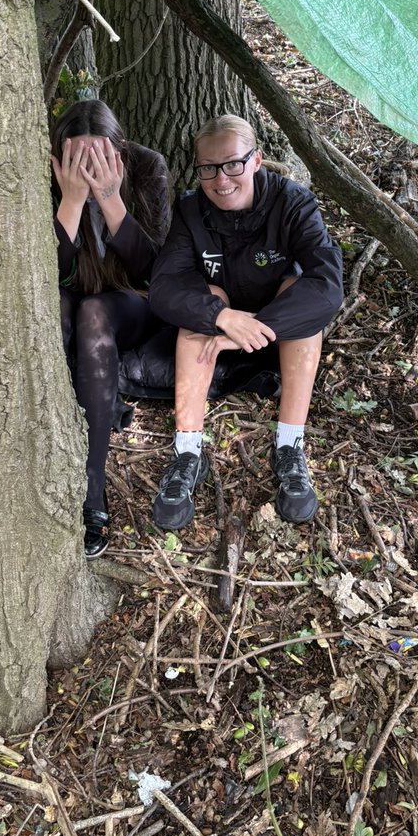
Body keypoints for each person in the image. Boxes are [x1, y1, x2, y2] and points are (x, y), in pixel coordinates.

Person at [149, 115, 343, 530]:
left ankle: (289, 445)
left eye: (233, 164)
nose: (221, 180)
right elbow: (164, 286)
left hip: (277, 329)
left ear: (256, 160)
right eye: (209, 169)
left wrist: (254, 328)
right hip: (220, 325)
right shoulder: (189, 210)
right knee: (204, 300)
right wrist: (221, 317)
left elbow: (327, 284)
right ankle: (187, 453)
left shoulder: (292, 202)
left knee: (299, 289)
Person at [51, 99, 170, 557]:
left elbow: (155, 271)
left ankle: (91, 489)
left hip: (130, 303)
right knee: (64, 312)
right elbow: (44, 271)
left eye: (98, 155)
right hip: (68, 293)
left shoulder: (147, 167)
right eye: (77, 157)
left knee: (94, 312)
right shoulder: (47, 173)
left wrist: (110, 199)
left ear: (118, 150)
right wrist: (72, 200)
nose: (88, 166)